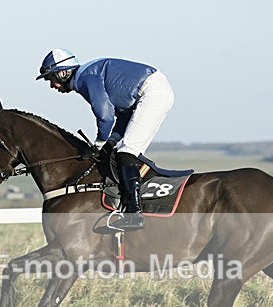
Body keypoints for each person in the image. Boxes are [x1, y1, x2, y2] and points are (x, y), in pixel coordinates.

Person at [36, 49, 174, 230]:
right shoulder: (88, 74)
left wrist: (99, 142)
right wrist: (111, 140)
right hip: (153, 90)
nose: (52, 85)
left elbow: (105, 115)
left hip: (153, 92)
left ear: (63, 73)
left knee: (126, 152)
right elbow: (123, 114)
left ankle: (134, 213)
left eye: (51, 78)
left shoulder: (85, 78)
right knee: (120, 150)